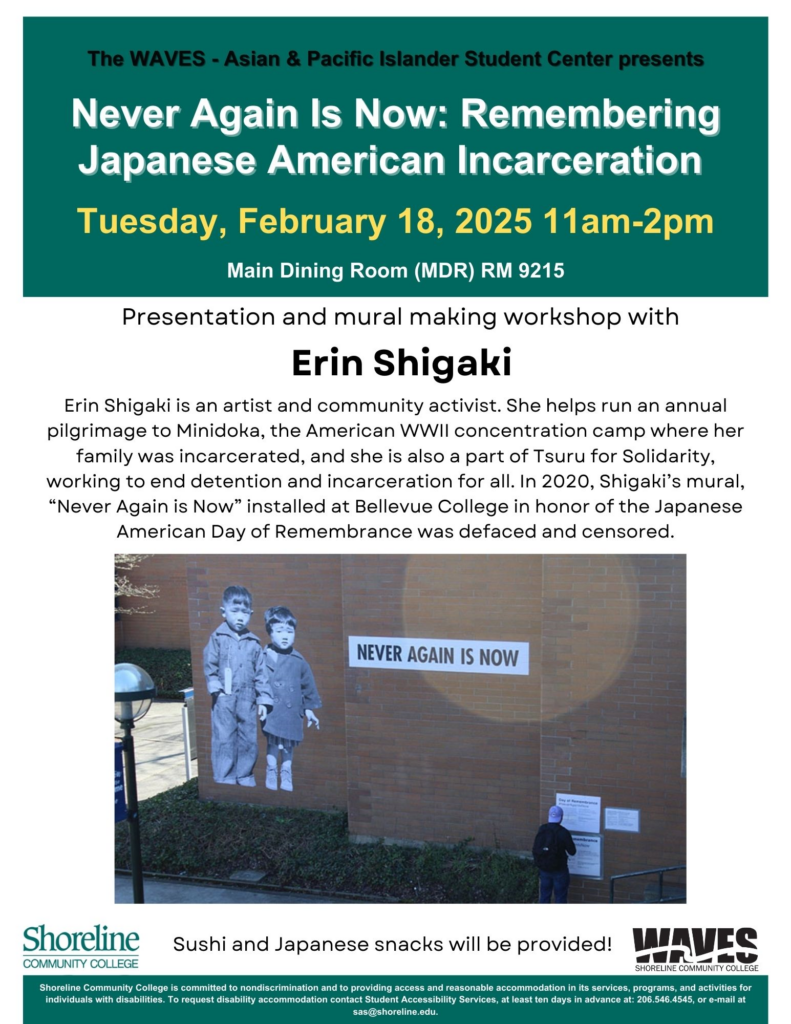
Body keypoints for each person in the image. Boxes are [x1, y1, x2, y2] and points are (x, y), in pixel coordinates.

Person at [204, 586, 273, 786]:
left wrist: (263, 699)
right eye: (235, 611)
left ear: (250, 613)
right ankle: (224, 775)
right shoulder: (217, 638)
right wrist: (216, 687)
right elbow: (210, 664)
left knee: (248, 738)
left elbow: (261, 674)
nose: (240, 616)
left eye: (244, 612)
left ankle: (244, 774)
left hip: (248, 699)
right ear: (224, 612)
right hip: (224, 698)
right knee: (224, 738)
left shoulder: (254, 643)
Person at [260, 606, 322, 792]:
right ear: (270, 633)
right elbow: (259, 682)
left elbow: (308, 687)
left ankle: (286, 773)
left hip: (292, 711)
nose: (285, 636)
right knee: (273, 744)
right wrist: (261, 702)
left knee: (287, 747)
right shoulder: (264, 657)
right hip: (273, 710)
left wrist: (309, 710)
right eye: (279, 631)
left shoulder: (299, 661)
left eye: (289, 631)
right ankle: (272, 770)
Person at [532, 805, 577, 903]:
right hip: (560, 870)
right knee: (560, 897)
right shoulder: (563, 832)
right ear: (561, 817)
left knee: (544, 896)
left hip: (544, 869)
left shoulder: (542, 829)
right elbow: (572, 852)